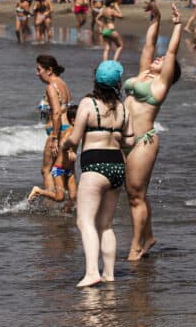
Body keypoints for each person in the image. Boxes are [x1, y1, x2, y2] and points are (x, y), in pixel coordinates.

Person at [62, 61, 134, 287]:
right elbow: (130, 141)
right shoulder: (123, 107)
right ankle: (109, 274)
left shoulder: (88, 103)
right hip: (116, 166)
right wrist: (114, 136)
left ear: (96, 80)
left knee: (85, 222)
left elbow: (75, 138)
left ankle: (92, 272)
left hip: (95, 165)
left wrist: (65, 144)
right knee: (106, 224)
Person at [123, 0, 182, 260]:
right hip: (123, 140)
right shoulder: (144, 74)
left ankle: (137, 246)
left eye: (161, 61)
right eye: (155, 59)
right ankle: (148, 236)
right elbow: (149, 45)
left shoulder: (160, 84)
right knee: (133, 194)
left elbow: (170, 53)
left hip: (143, 141)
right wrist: (156, 18)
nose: (157, 58)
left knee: (136, 195)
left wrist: (178, 24)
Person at [35, 55, 73, 193]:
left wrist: (55, 138)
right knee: (65, 170)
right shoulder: (63, 84)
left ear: (49, 70)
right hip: (69, 130)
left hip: (58, 131)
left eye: (39, 69)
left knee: (47, 170)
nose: (37, 73)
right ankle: (70, 203)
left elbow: (56, 113)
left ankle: (51, 206)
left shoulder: (51, 87)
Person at [28, 105, 78, 205]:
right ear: (73, 121)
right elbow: (63, 142)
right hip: (59, 169)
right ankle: (39, 191)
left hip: (70, 170)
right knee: (60, 197)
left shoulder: (78, 132)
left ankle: (66, 216)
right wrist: (70, 150)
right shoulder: (71, 131)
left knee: (73, 197)